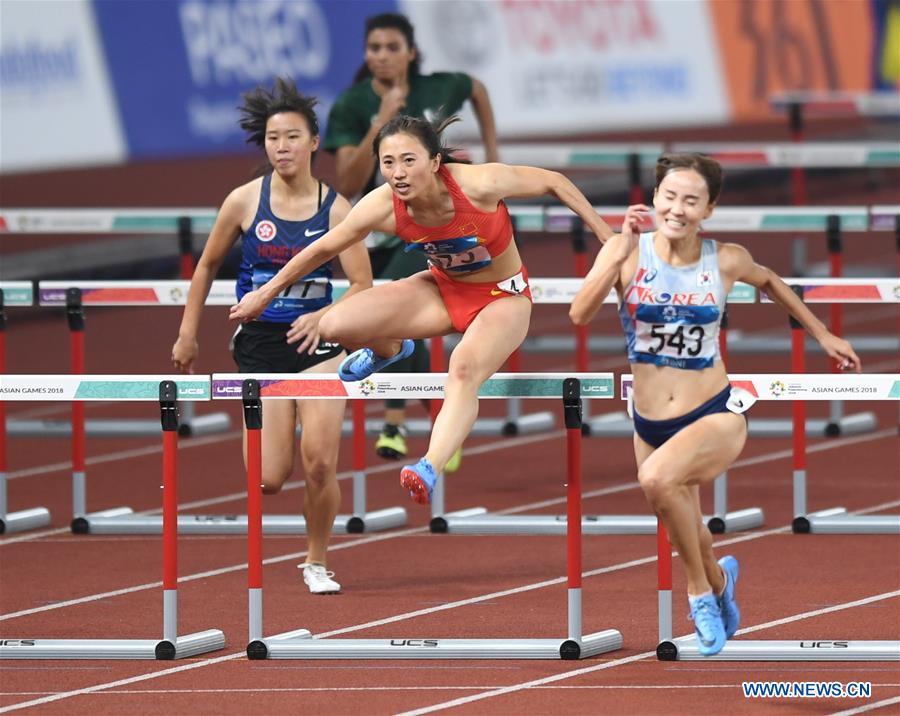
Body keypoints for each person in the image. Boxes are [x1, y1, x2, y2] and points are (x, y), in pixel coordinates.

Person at [230, 114, 612, 506]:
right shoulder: (382, 204)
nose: (397, 173)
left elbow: (554, 181)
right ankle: (391, 351)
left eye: (409, 161)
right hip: (442, 291)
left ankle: (429, 465)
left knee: (462, 370)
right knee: (332, 324)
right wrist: (267, 293)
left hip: (502, 298)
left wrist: (606, 236)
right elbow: (325, 248)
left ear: (434, 163)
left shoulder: (479, 184)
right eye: (388, 162)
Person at [569, 153, 861, 656]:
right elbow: (579, 313)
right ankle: (721, 581)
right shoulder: (626, 252)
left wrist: (823, 333)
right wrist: (616, 254)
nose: (677, 208)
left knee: (657, 481)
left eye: (691, 200)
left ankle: (700, 595)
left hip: (714, 413)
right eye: (669, 196)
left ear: (709, 209)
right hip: (648, 423)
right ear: (654, 198)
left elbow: (769, 280)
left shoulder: (723, 259)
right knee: (687, 533)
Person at [171, 78, 372, 594]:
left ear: (312, 143)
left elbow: (362, 285)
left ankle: (317, 560)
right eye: (272, 138)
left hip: (320, 348)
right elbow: (207, 265)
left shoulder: (337, 209)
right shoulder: (243, 201)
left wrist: (325, 318)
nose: (281, 147)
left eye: (291, 137)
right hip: (260, 347)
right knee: (269, 478)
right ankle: (301, 532)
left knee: (321, 463)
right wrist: (187, 333)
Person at [324, 12, 499, 465]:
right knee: (383, 323)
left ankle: (396, 421)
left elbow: (476, 89)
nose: (382, 56)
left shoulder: (438, 88)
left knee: (395, 314)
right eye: (374, 49)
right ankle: (440, 414)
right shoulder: (350, 104)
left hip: (429, 230)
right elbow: (348, 179)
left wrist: (493, 157)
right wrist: (378, 122)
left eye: (391, 47)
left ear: (411, 52)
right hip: (375, 225)